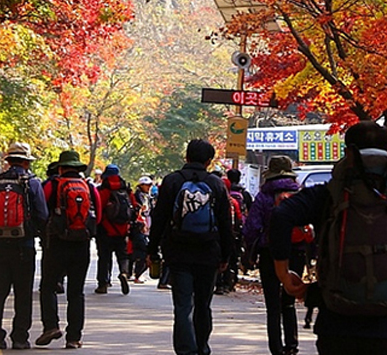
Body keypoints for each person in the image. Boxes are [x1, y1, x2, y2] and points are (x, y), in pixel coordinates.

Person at [269, 120, 387, 355]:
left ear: (347, 152)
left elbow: (281, 215)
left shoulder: (329, 195)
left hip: (337, 324)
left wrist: (283, 271)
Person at [147, 138, 235, 355]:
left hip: (178, 253)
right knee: (203, 305)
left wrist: (152, 250)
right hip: (209, 254)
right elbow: (225, 223)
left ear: (186, 157)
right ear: (208, 161)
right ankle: (202, 347)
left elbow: (159, 219)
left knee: (183, 305)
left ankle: (186, 351)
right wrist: (226, 256)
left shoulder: (171, 181)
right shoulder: (217, 185)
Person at [0, 142, 49, 351]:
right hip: (23, 244)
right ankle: (20, 337)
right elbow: (42, 215)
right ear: (26, 162)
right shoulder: (32, 183)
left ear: (8, 160)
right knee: (23, 292)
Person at [242, 155, 306, 355]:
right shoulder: (300, 194)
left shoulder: (263, 196)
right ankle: (292, 345)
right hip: (296, 251)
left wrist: (251, 251)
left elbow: (252, 227)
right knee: (289, 301)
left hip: (270, 252)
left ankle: (276, 348)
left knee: (272, 304)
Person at [37, 150, 101, 349]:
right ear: (78, 168)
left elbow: (41, 212)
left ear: (61, 167)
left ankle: (51, 326)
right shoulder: (89, 187)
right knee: (76, 292)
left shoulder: (52, 185)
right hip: (81, 245)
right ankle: (74, 337)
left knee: (48, 286)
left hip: (56, 243)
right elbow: (97, 216)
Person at [95, 163, 136, 295]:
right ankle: (124, 272)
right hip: (122, 230)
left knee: (104, 257)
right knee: (122, 255)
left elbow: (98, 208)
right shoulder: (127, 190)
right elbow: (134, 207)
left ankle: (103, 284)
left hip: (105, 229)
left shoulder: (103, 190)